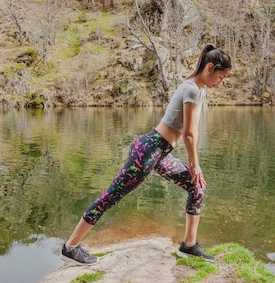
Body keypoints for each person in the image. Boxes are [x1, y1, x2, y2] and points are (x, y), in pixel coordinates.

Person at [61, 44, 232, 265]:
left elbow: (193, 130)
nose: (221, 82)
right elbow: (188, 134)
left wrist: (193, 167)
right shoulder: (191, 89)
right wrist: (194, 164)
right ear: (210, 67)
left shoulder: (199, 90)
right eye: (221, 77)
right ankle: (70, 247)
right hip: (148, 151)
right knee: (110, 197)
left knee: (197, 186)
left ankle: (189, 245)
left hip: (161, 153)